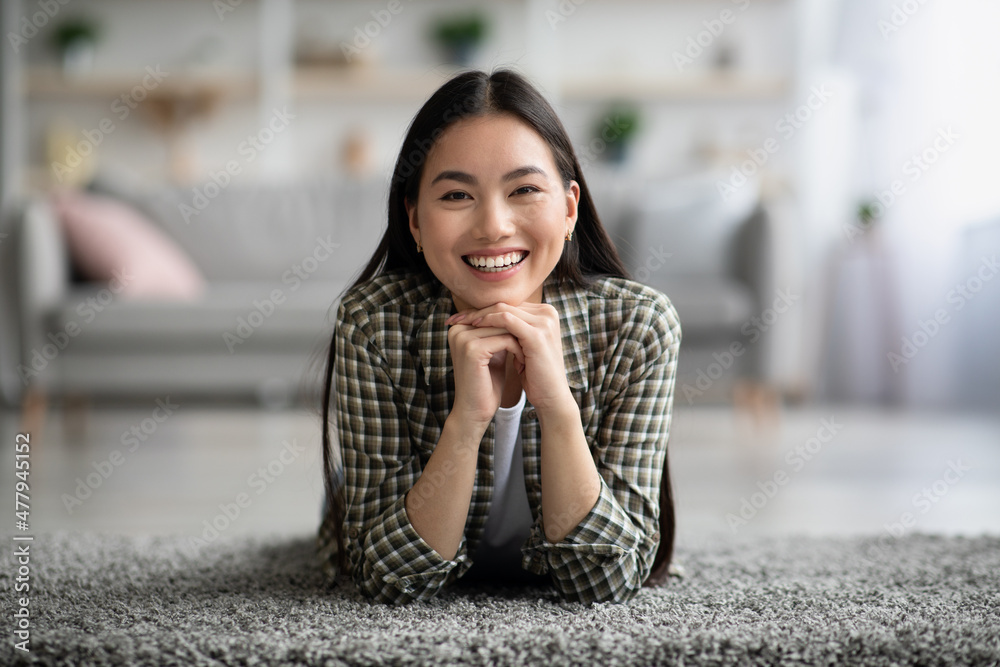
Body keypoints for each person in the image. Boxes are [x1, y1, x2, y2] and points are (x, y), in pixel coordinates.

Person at [318, 69, 681, 605]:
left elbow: (604, 581)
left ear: (569, 209)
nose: (493, 225)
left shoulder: (638, 327)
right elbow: (388, 580)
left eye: (526, 189)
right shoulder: (374, 325)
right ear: (414, 222)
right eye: (458, 194)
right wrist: (466, 422)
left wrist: (558, 407)